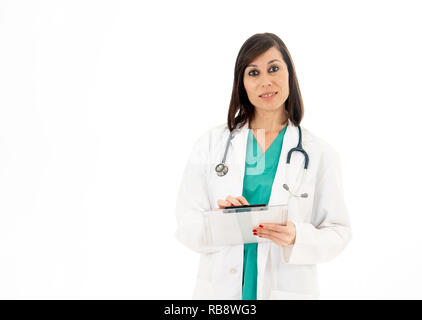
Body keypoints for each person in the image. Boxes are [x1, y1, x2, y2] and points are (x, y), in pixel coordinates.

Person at [175, 32, 351, 300]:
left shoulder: (319, 153)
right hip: (222, 290)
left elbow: (339, 232)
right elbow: (186, 222)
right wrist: (222, 221)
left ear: (289, 74)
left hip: (286, 289)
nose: (266, 81)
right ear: (241, 83)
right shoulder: (211, 145)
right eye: (253, 73)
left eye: (273, 68)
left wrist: (296, 236)